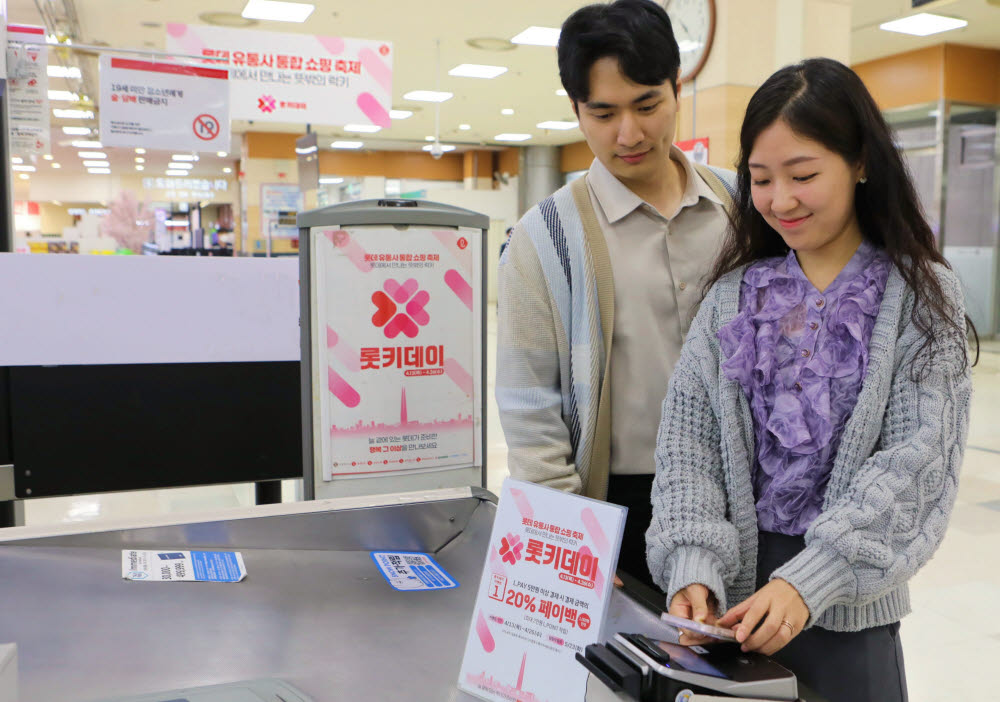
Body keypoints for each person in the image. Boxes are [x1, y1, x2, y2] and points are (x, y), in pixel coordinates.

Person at [646, 57, 977, 702]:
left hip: (851, 608)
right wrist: (692, 563)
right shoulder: (732, 297)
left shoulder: (919, 294)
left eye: (803, 175)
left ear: (860, 163)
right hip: (731, 614)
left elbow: (916, 461)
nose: (780, 201)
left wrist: (812, 580)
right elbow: (690, 444)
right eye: (761, 179)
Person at [495, 0, 734, 590]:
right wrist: (570, 538)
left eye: (647, 105)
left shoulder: (739, 206)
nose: (629, 134)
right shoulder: (543, 239)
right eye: (603, 113)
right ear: (577, 112)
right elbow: (530, 408)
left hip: (736, 495)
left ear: (677, 89)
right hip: (614, 506)